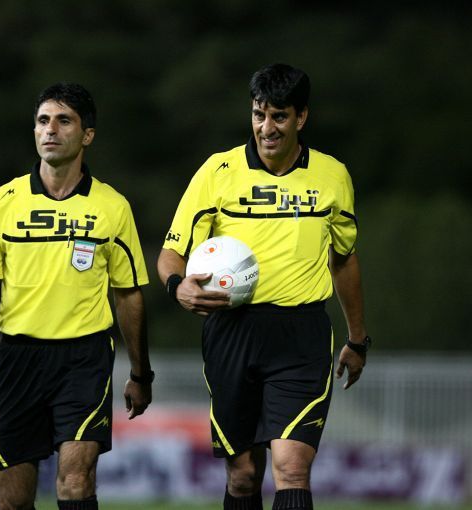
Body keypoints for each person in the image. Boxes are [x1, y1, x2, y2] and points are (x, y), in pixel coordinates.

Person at [157, 63, 369, 510]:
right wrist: (178, 287)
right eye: (259, 115)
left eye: (279, 116)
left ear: (301, 117)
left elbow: (344, 259)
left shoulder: (332, 176)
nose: (266, 128)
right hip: (232, 332)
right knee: (243, 476)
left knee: (291, 468)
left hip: (301, 335)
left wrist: (357, 338)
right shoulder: (217, 172)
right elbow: (171, 254)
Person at [0, 82, 153, 510]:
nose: (50, 130)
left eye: (64, 121)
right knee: (12, 498)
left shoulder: (112, 206)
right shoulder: (0, 203)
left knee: (76, 481)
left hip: (85, 359)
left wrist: (141, 374)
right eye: (43, 121)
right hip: (18, 358)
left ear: (87, 135)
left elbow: (128, 295)